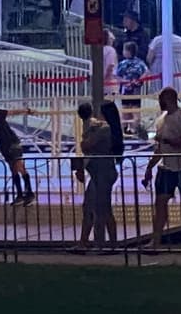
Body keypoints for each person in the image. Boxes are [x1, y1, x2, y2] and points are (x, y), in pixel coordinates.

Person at [146, 85, 181, 247]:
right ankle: (156, 240)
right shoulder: (162, 119)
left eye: (161, 99)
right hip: (167, 167)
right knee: (160, 203)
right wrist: (150, 167)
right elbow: (159, 149)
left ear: (169, 99)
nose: (159, 103)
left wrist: (167, 141)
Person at [74, 101, 119, 253]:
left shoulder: (103, 129)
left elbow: (87, 146)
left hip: (103, 173)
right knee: (91, 207)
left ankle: (109, 244)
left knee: (103, 209)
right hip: (99, 173)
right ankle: (84, 242)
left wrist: (85, 142)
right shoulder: (98, 128)